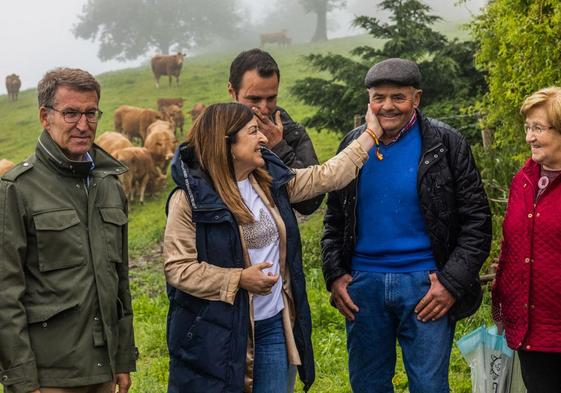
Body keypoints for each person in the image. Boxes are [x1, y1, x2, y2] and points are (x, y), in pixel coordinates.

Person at [163, 102, 382, 393]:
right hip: (221, 333)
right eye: (253, 132)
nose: (264, 138)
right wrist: (238, 279)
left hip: (274, 325)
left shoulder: (267, 181)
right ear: (226, 142)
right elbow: (178, 269)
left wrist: (371, 133)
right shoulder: (189, 200)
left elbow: (326, 175)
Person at [321, 58, 492, 392]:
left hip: (427, 286)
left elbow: (477, 221)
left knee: (429, 386)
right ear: (368, 100)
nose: (387, 106)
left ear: (417, 98)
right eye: (378, 97)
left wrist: (451, 283)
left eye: (398, 97)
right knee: (368, 384)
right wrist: (335, 275)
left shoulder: (446, 144)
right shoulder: (353, 146)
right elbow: (334, 219)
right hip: (363, 287)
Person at [0, 68, 137, 393]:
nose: (83, 124)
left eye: (91, 113)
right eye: (71, 113)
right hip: (48, 378)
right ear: (45, 117)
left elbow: (120, 280)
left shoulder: (110, 187)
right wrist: (22, 379)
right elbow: (5, 292)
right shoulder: (17, 190)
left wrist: (122, 358)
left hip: (102, 371)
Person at [492, 87, 561, 393]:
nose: (529, 138)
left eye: (538, 128)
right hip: (529, 325)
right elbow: (512, 243)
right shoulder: (524, 179)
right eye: (527, 128)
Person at [228, 48, 323, 215]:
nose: (264, 109)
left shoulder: (291, 131)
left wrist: (280, 148)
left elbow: (311, 203)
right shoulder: (212, 133)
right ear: (232, 92)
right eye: (254, 99)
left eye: (271, 98)